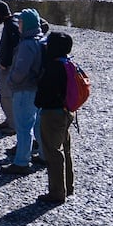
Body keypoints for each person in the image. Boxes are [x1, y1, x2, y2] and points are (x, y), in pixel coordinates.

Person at [1, 9, 45, 176]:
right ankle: (44, 155)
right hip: (38, 89)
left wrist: (11, 82)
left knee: (23, 127)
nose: (18, 25)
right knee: (38, 124)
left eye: (20, 22)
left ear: (26, 24)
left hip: (24, 90)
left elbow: (20, 70)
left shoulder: (26, 44)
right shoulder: (40, 40)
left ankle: (21, 162)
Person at [34, 31, 76, 204]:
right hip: (68, 112)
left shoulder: (53, 67)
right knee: (65, 150)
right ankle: (68, 185)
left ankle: (57, 193)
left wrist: (38, 101)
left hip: (52, 114)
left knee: (53, 152)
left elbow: (43, 95)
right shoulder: (69, 63)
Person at [0, 1, 18, 134]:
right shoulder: (11, 24)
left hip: (7, 68)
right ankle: (9, 119)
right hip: (5, 66)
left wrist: (5, 63)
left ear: (0, 14)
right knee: (5, 95)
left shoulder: (11, 26)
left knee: (7, 96)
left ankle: (13, 125)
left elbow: (14, 48)